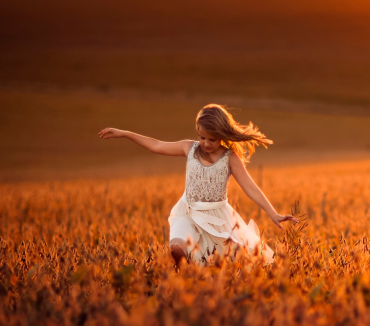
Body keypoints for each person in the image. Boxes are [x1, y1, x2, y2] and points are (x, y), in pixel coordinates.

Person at [98, 104, 297, 266]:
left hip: (217, 218)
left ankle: (198, 287)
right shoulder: (189, 148)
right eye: (202, 137)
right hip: (188, 212)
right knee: (177, 249)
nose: (206, 143)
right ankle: (180, 279)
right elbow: (156, 145)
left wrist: (273, 213)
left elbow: (251, 187)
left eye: (213, 139)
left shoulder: (230, 158)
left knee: (234, 262)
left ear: (223, 135)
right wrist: (124, 133)